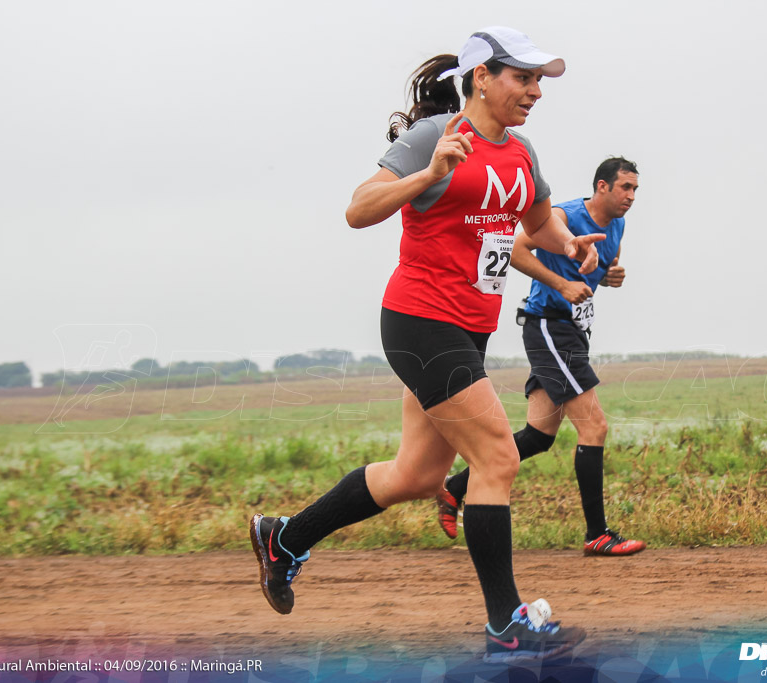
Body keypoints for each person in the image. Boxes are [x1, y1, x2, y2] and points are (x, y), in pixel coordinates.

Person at [250, 27, 606, 663]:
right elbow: (359, 210)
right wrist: (429, 174)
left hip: (469, 326)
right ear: (481, 78)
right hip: (418, 320)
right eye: (522, 79)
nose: (534, 92)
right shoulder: (433, 138)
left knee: (415, 475)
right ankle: (507, 625)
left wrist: (569, 244)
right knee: (497, 458)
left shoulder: (521, 152)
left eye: (538, 81)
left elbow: (538, 222)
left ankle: (284, 538)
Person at [436, 157, 646, 557]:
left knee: (538, 436)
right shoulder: (563, 216)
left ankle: (453, 489)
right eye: (625, 188)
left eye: (636, 189)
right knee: (594, 427)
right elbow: (514, 249)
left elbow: (599, 267)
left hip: (572, 331)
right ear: (602, 186)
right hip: (549, 325)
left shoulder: (617, 223)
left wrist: (609, 275)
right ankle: (597, 534)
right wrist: (562, 284)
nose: (631, 197)